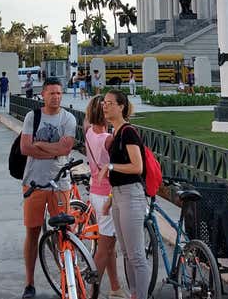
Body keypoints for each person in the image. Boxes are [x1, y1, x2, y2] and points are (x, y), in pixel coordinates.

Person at [19, 78, 77, 299]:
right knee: (32, 232)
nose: (56, 97)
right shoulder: (32, 117)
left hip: (59, 183)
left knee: (63, 233)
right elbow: (25, 148)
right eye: (52, 93)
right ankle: (29, 282)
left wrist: (41, 145)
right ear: (43, 94)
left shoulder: (68, 118)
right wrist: (54, 151)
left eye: (59, 93)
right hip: (34, 182)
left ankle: (67, 279)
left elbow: (66, 148)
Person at [98, 90, 149, 299]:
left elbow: (137, 167)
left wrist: (110, 166)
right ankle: (134, 294)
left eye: (110, 103)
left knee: (136, 255)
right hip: (119, 196)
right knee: (126, 253)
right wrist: (111, 199)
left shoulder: (128, 132)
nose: (105, 106)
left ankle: (141, 295)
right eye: (104, 103)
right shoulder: (116, 132)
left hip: (131, 195)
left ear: (121, 107)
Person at [84, 95, 125, 298]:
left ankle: (115, 287)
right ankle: (91, 292)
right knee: (104, 248)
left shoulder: (89, 132)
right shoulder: (108, 139)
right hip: (107, 195)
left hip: (95, 190)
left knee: (109, 246)